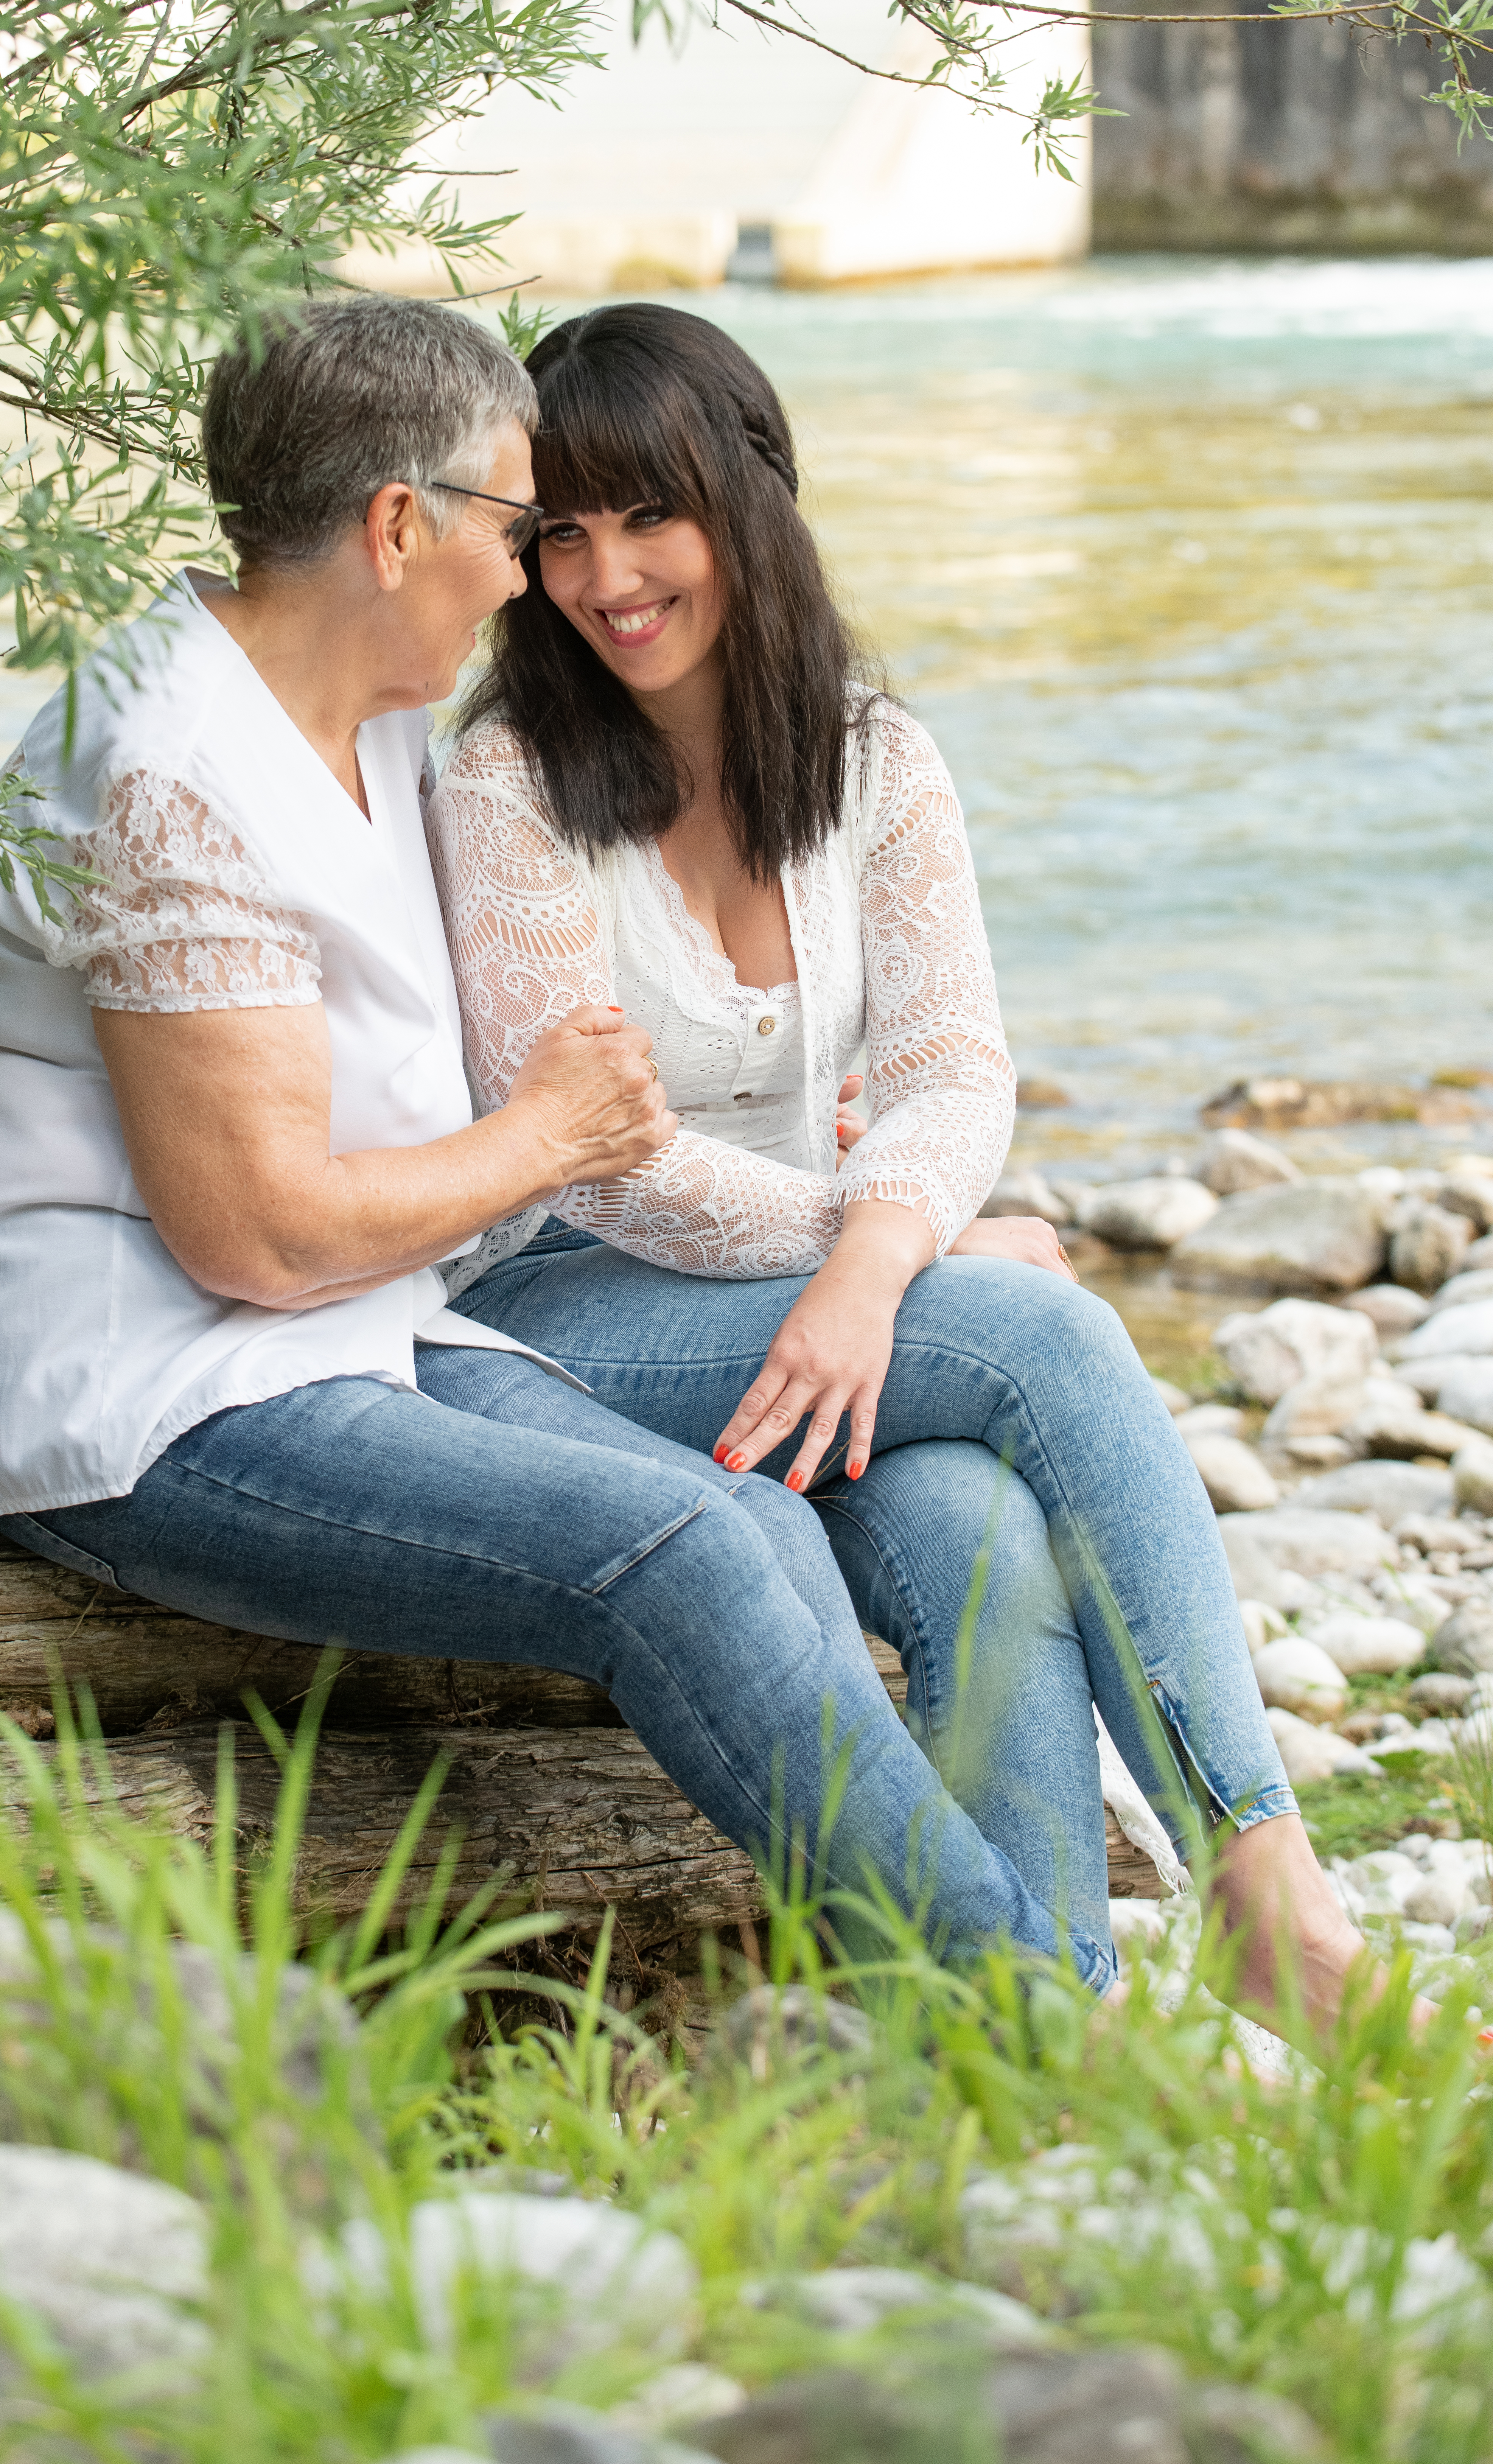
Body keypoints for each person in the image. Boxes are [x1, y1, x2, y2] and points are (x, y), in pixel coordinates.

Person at [0, 291, 1160, 2008]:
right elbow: (255, 1236)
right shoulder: (166, 770)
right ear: (397, 526)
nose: (532, 582)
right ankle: (1056, 2029)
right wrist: (549, 1137)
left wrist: (865, 1201)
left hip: (365, 1327)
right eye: (518, 526)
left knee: (765, 1526)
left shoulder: (368, 703)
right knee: (689, 1553)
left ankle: (928, 2055)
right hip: (147, 1391)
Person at [428, 302, 1386, 2041]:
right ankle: (1269, 1887)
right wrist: (894, 1249)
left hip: (813, 1316)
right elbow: (602, 1155)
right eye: (558, 532)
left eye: (650, 515)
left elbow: (956, 1066)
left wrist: (880, 1260)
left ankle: (1034, 2068)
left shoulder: (873, 755)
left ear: (753, 497)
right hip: (553, 1308)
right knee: (1039, 1327)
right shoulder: (504, 783)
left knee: (986, 1537)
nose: (605, 575)